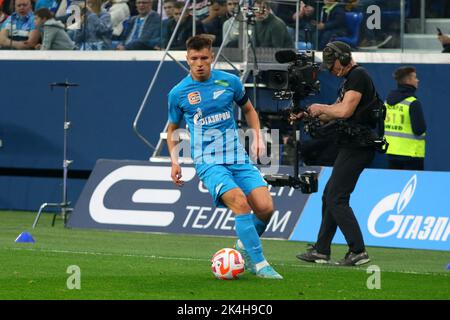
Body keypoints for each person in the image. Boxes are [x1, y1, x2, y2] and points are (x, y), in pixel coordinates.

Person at [166, 35, 283, 279]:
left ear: (212, 58)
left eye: (204, 58)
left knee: (266, 208)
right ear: (187, 60)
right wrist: (175, 161)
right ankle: (260, 264)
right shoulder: (178, 93)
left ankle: (244, 247)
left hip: (236, 156)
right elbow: (172, 129)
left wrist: (258, 137)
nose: (200, 63)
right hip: (208, 161)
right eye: (194, 58)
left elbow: (249, 110)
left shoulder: (229, 82)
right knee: (240, 202)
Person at [294, 41, 380, 266]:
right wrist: (307, 115)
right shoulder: (349, 80)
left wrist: (320, 108)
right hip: (353, 145)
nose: (331, 69)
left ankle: (358, 251)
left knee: (336, 197)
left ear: (343, 59)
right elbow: (332, 112)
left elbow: (343, 110)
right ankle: (322, 250)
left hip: (359, 146)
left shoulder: (358, 75)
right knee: (329, 195)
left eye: (333, 64)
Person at [384, 66, 426, 170]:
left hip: (391, 153)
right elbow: (419, 130)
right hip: (412, 154)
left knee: (395, 185)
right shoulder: (413, 103)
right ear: (408, 80)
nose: (418, 80)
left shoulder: (387, 103)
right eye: (415, 77)